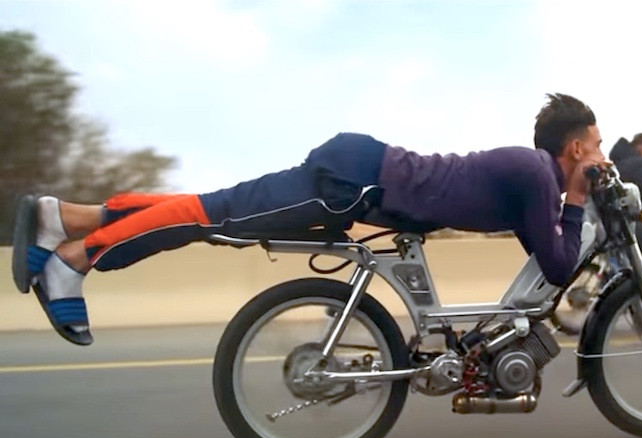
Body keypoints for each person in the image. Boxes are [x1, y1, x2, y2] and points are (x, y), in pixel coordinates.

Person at [12, 93, 608, 346]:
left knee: (215, 207)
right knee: (214, 216)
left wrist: (573, 204)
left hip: (356, 170)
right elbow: (560, 267)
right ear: (577, 147)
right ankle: (75, 259)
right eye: (599, 146)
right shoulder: (538, 173)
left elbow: (550, 260)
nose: (603, 157)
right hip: (350, 183)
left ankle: (65, 218)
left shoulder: (535, 180)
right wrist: (580, 198)